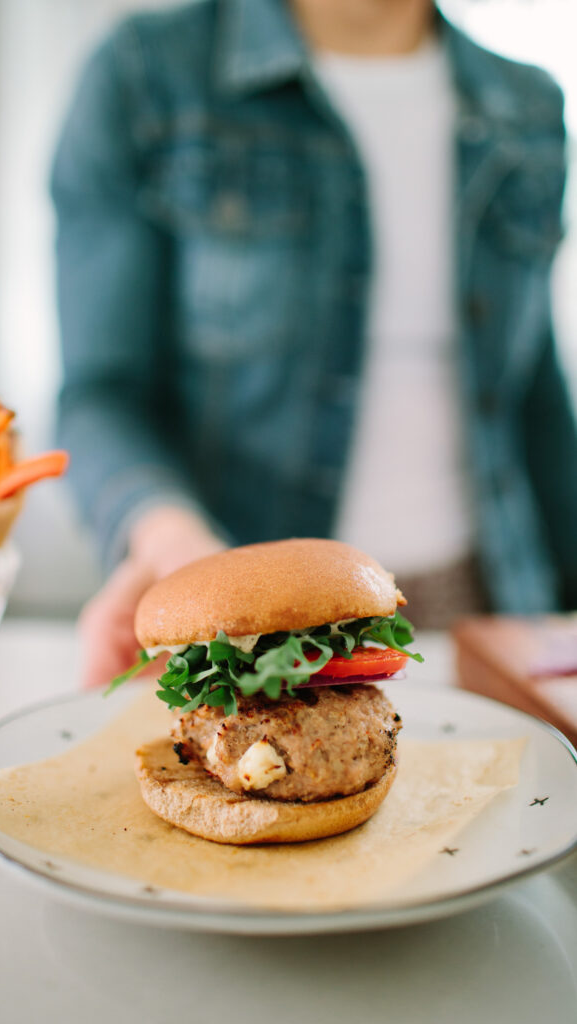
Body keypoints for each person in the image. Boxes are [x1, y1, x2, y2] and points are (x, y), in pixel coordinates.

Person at [51, 0, 577, 689]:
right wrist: (170, 539)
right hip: (254, 633)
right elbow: (102, 392)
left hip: (489, 611)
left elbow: (533, 400)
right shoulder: (147, 75)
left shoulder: (528, 106)